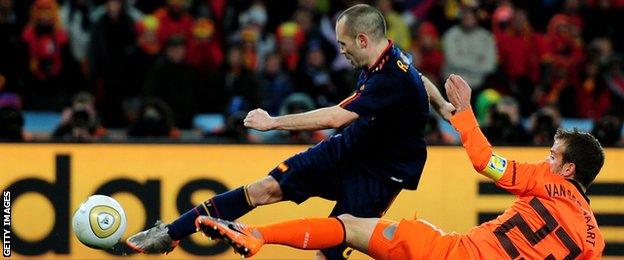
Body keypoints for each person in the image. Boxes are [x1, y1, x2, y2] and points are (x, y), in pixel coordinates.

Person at [126, 4, 454, 259]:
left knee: (330, 250)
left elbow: (336, 117)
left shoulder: (390, 78)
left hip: (381, 174)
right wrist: (441, 104)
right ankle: (170, 233)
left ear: (363, 40)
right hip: (352, 147)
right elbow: (419, 78)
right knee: (264, 188)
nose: (341, 51)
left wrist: (273, 123)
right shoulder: (391, 56)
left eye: (343, 44)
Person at [195, 75, 605, 259]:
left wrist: (463, 114)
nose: (546, 159)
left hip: (450, 254)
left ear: (567, 170)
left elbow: (486, 162)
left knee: (351, 226)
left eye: (553, 155)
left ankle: (258, 234)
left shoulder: (545, 181)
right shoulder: (593, 241)